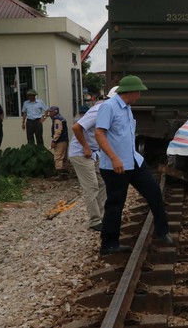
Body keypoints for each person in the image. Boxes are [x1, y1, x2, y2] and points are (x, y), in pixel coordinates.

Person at [94, 75, 172, 255]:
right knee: (115, 204)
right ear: (130, 92)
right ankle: (109, 245)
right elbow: (99, 134)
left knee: (154, 191)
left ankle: (163, 231)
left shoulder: (128, 108)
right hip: (115, 165)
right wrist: (114, 158)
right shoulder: (109, 107)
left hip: (133, 161)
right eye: (138, 92)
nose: (140, 95)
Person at [68, 87, 117, 231]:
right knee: (92, 186)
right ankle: (95, 221)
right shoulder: (99, 110)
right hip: (81, 153)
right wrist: (86, 147)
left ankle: (102, 216)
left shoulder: (108, 110)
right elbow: (76, 127)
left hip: (93, 153)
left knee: (102, 183)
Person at [48, 106, 69, 172]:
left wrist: (54, 141)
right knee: (63, 157)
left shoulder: (57, 120)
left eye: (51, 112)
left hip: (60, 141)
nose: (49, 113)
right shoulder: (61, 118)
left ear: (55, 112)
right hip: (64, 140)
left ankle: (59, 172)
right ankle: (64, 171)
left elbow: (58, 131)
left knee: (58, 157)